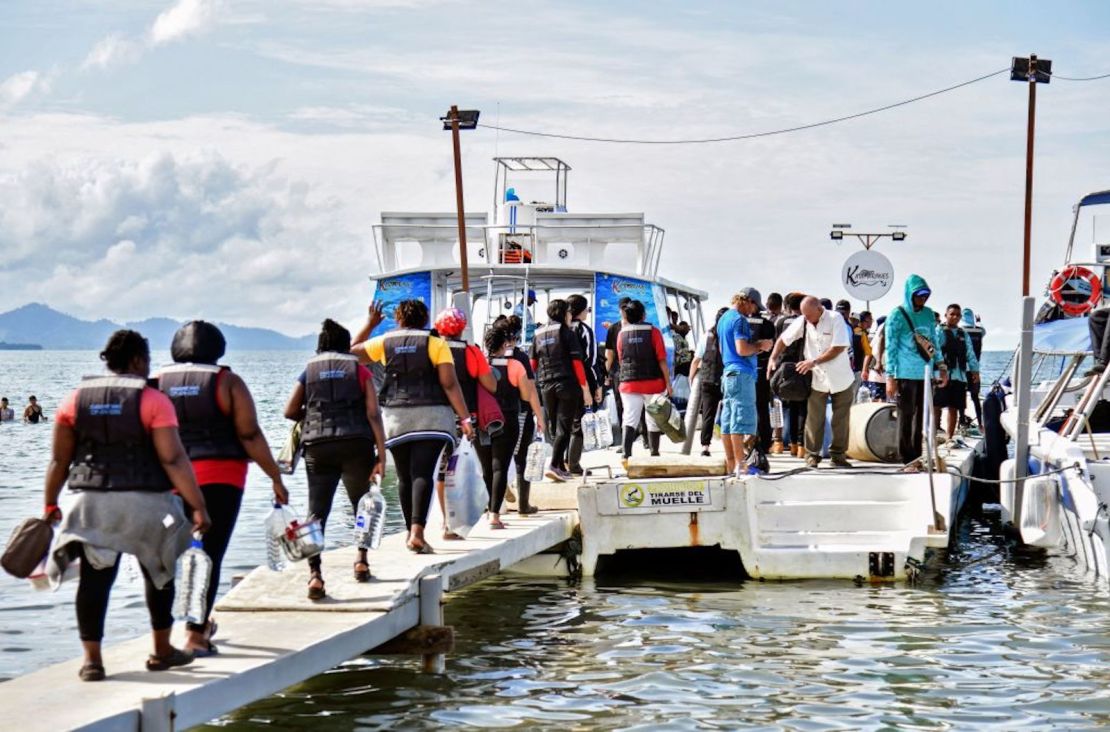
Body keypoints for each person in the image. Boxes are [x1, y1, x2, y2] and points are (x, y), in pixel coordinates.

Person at [43, 330, 211, 681]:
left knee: (95, 580)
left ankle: (92, 661)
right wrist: (198, 505)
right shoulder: (154, 400)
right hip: (147, 503)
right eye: (146, 360)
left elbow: (59, 461)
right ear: (137, 361)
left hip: (90, 505)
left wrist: (49, 504)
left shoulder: (74, 400)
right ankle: (162, 650)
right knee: (160, 572)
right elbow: (173, 458)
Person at [157, 321, 289, 653]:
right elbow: (249, 435)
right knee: (209, 553)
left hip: (170, 480)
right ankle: (196, 632)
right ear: (219, 348)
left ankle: (166, 633)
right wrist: (274, 476)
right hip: (221, 477)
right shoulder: (227, 382)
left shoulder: (158, 383)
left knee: (171, 556)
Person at [353, 300, 473, 554]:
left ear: (398, 319)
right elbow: (450, 384)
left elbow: (351, 353)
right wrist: (464, 418)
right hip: (432, 417)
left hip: (396, 418)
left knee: (404, 476)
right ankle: (418, 533)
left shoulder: (384, 342)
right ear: (425, 318)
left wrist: (370, 325)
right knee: (423, 473)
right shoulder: (436, 343)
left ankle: (411, 532)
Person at [285, 318, 387, 600]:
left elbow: (289, 410)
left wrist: (314, 415)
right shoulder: (359, 371)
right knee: (362, 506)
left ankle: (315, 576)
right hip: (357, 444)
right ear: (346, 346)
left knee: (315, 513)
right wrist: (382, 453)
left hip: (318, 446)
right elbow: (373, 414)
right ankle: (361, 561)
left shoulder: (309, 370)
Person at [432, 307, 497, 537]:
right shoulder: (471, 352)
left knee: (442, 470)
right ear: (462, 328)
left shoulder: (433, 349)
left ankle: (445, 521)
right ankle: (459, 518)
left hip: (438, 417)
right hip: (466, 417)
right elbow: (491, 385)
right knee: (462, 468)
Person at [769, 296, 856, 468]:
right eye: (804, 316)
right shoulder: (803, 321)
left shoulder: (835, 318)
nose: (807, 319)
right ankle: (811, 455)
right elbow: (783, 339)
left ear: (819, 309)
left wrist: (814, 361)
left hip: (840, 377)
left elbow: (838, 347)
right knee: (814, 418)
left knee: (841, 419)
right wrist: (773, 358)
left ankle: (838, 455)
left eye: (809, 315)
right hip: (817, 378)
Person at [482, 324, 545, 527]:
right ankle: (495, 515)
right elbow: (526, 394)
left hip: (483, 421)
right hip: (508, 418)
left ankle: (491, 506)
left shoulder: (480, 364)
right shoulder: (515, 365)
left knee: (486, 468)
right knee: (500, 466)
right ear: (504, 344)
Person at [884, 275, 947, 464]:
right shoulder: (897, 314)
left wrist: (941, 366)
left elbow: (933, 342)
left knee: (922, 416)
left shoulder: (928, 314)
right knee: (906, 415)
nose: (923, 298)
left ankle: (917, 455)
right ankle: (906, 458)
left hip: (925, 372)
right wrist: (890, 377)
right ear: (910, 294)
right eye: (919, 294)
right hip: (904, 373)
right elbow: (891, 346)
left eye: (926, 294)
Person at [531, 299, 593, 481]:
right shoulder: (567, 333)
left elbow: (532, 364)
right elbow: (577, 363)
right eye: (568, 312)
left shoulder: (538, 334)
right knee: (564, 427)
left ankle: (557, 465)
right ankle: (555, 465)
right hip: (567, 384)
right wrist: (585, 389)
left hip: (545, 385)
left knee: (553, 426)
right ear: (563, 314)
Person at [718, 291, 772, 475]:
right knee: (739, 421)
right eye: (755, 306)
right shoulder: (739, 320)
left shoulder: (723, 318)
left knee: (728, 421)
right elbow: (742, 349)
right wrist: (760, 346)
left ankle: (731, 463)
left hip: (728, 373)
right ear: (748, 302)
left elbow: (725, 349)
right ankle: (741, 465)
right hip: (742, 374)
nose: (754, 311)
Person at [495, 315, 544, 513]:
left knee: (496, 459)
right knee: (520, 458)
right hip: (520, 413)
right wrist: (540, 416)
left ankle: (495, 507)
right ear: (515, 337)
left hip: (493, 415)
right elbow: (530, 391)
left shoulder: (487, 355)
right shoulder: (519, 357)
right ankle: (523, 505)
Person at [615, 299, 672, 460]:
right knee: (653, 418)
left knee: (629, 418)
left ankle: (626, 455)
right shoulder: (653, 332)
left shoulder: (621, 334)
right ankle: (654, 453)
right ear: (643, 315)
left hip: (628, 383)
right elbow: (662, 360)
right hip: (653, 383)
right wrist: (668, 383)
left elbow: (621, 360)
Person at [567, 294, 601, 474]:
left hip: (559, 382)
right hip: (581, 383)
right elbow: (591, 360)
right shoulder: (584, 330)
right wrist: (596, 386)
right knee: (579, 423)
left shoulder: (559, 329)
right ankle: (573, 464)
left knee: (563, 424)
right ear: (582, 311)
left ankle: (561, 463)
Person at [934, 304, 980, 440]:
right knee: (936, 406)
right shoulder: (938, 331)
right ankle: (933, 435)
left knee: (954, 407)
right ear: (946, 315)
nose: (955, 317)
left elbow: (970, 353)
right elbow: (935, 351)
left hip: (959, 376)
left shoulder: (963, 334)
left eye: (957, 315)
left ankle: (949, 438)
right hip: (941, 375)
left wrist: (975, 371)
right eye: (952, 314)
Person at [774, 292, 808, 458]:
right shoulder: (806, 321)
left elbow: (776, 344)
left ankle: (781, 444)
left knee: (784, 408)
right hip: (802, 368)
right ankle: (801, 446)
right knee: (802, 408)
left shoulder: (780, 322)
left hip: (783, 371)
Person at [743, 288, 777, 453]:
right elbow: (771, 348)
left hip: (743, 370)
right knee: (762, 407)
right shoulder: (768, 325)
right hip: (762, 370)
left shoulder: (738, 322)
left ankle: (748, 441)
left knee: (745, 407)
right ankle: (764, 443)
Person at [690, 307, 727, 457]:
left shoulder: (706, 336)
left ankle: (705, 447)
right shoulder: (730, 336)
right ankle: (730, 444)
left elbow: (696, 360)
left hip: (707, 379)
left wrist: (691, 379)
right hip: (727, 379)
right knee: (729, 413)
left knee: (708, 414)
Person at [961, 308, 986, 427]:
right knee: (975, 398)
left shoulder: (961, 330)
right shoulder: (979, 330)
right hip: (975, 369)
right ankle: (981, 423)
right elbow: (983, 329)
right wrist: (979, 320)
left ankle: (961, 421)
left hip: (962, 370)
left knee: (961, 397)